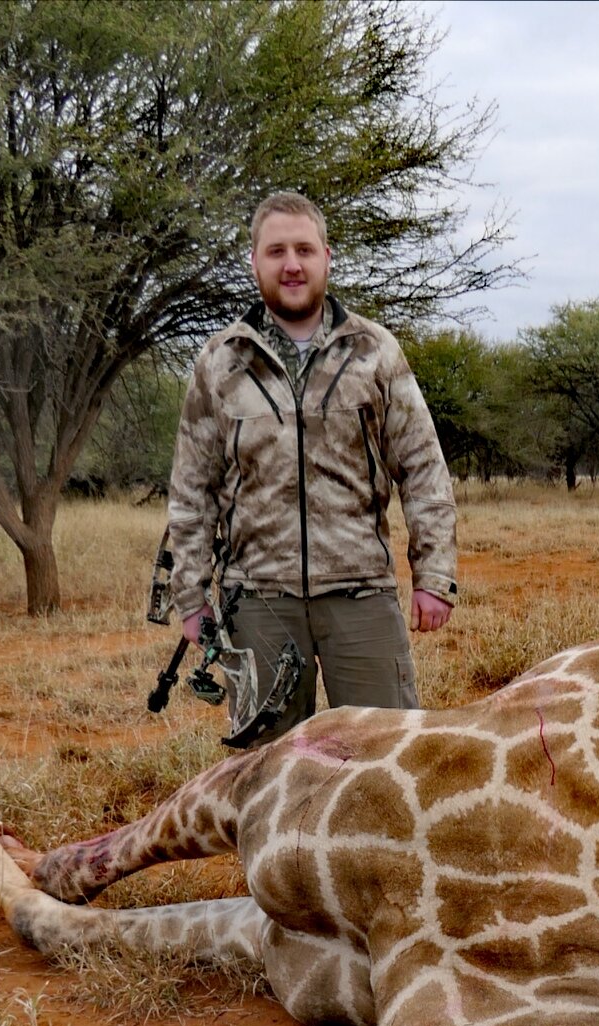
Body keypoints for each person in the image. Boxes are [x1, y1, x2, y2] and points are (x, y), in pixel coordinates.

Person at [167, 190, 456, 745]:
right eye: (276, 251)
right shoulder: (220, 362)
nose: (292, 264)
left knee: (389, 763)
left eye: (304, 249)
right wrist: (190, 597)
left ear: (327, 255)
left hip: (362, 594)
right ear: (254, 262)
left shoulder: (375, 350)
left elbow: (423, 467)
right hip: (257, 603)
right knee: (267, 779)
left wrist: (434, 576)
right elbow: (191, 492)